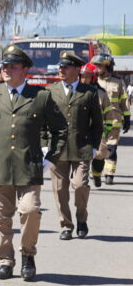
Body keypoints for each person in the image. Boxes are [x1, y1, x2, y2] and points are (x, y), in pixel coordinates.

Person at [0, 45, 66, 281]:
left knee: (30, 210)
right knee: (1, 217)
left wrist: (51, 159)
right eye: (5, 66)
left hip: (29, 167)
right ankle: (6, 260)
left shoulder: (40, 96)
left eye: (13, 66)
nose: (7, 70)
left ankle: (28, 255)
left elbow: (60, 130)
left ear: (25, 71)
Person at [46, 52, 103, 240]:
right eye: (60, 67)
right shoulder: (50, 91)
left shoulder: (89, 92)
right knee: (59, 189)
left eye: (66, 67)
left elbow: (97, 123)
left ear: (77, 70)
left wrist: (95, 146)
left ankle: (81, 219)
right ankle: (66, 225)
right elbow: (43, 121)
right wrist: (45, 145)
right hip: (57, 149)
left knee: (80, 186)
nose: (61, 70)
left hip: (82, 147)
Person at [90, 54, 129, 184]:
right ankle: (96, 172)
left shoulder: (117, 82)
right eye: (95, 65)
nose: (96, 68)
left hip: (114, 122)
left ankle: (109, 174)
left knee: (111, 149)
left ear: (107, 66)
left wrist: (127, 117)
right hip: (96, 123)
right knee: (98, 151)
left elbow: (124, 100)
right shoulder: (93, 82)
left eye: (99, 65)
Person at [81, 63, 115, 187]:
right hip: (81, 131)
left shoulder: (101, 93)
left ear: (93, 78)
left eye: (87, 76)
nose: (84, 79)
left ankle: (96, 175)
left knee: (100, 155)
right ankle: (82, 179)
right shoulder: (76, 91)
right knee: (81, 158)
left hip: (98, 131)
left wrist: (106, 130)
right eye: (82, 76)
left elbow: (109, 113)